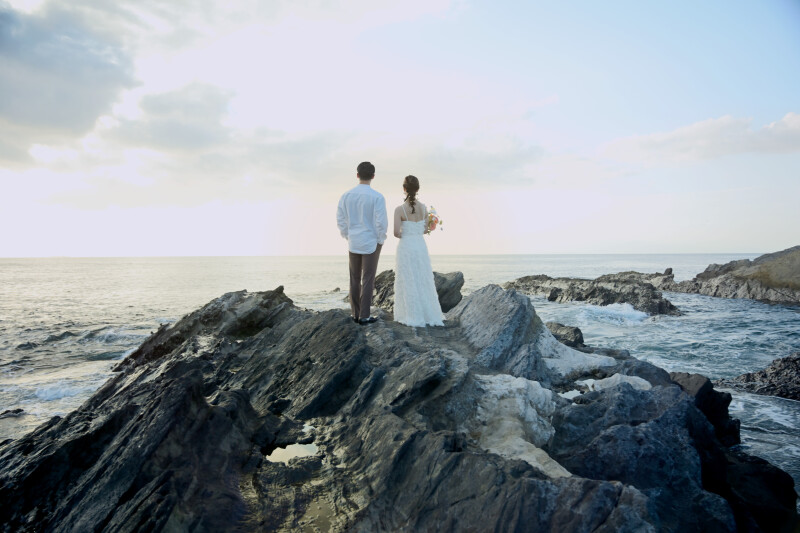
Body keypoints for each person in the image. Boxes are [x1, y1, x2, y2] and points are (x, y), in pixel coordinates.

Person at [337, 161, 388, 325]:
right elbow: (382, 223)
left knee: (354, 278)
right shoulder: (378, 197)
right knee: (368, 279)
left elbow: (340, 219)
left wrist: (347, 235)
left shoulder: (346, 196)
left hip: (354, 241)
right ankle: (364, 315)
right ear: (373, 176)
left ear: (357, 175)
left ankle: (355, 313)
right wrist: (380, 239)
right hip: (371, 241)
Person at [392, 175, 444, 327]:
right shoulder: (424, 208)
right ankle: (429, 314)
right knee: (423, 279)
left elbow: (396, 233)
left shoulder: (399, 210)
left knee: (408, 280)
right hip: (420, 246)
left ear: (404, 189)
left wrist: (406, 234)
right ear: (418, 189)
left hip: (406, 247)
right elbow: (424, 229)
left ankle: (410, 314)